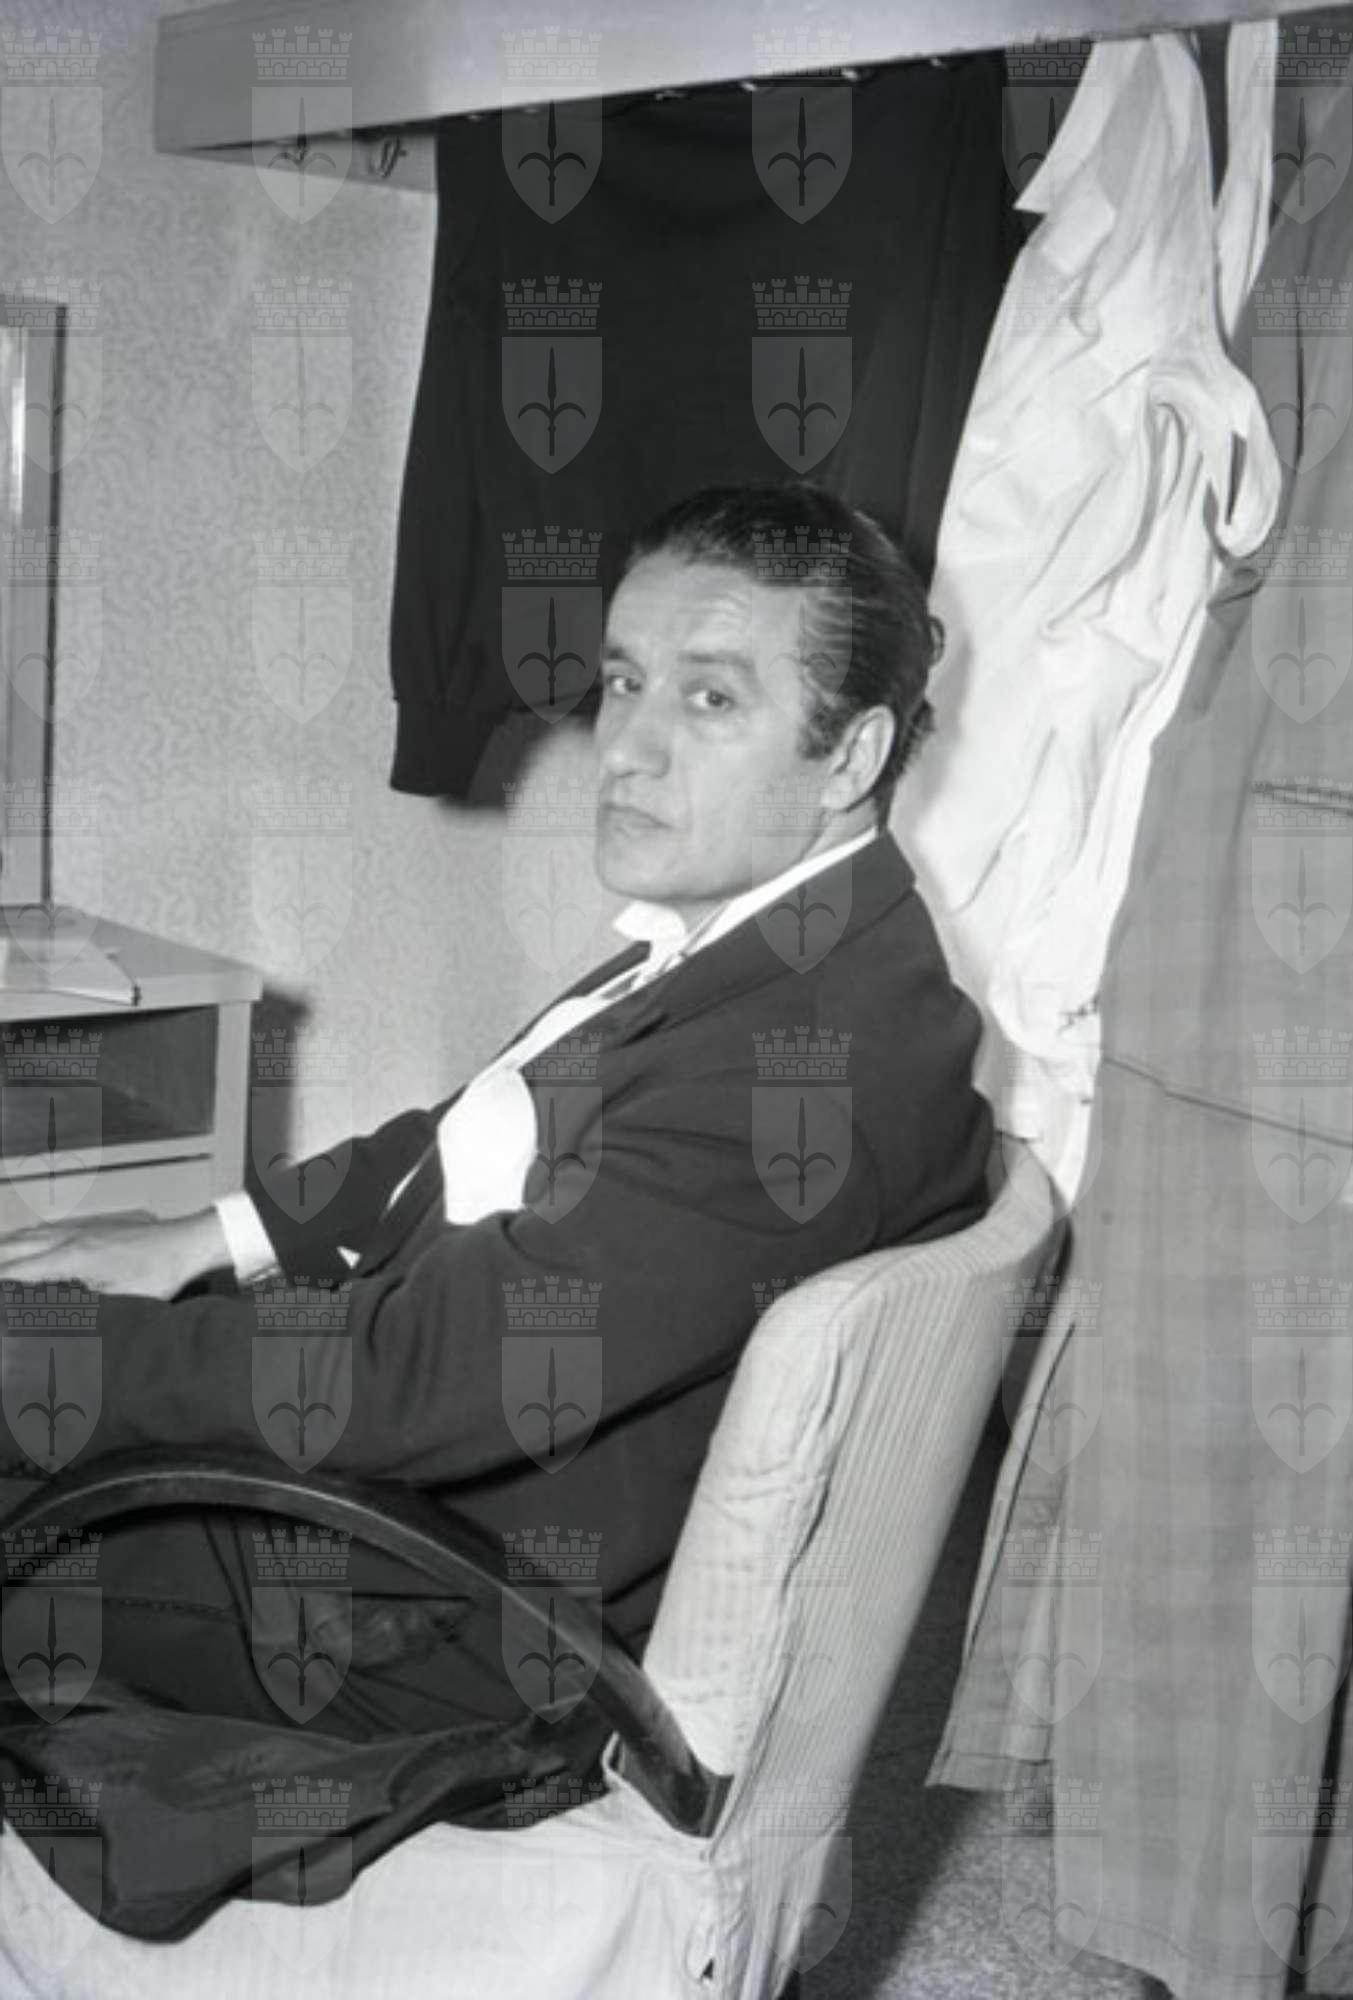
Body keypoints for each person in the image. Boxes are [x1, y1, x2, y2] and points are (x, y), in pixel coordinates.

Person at [0, 481, 992, 1940]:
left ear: (849, 754)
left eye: (711, 698)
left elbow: (410, 1383)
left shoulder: (800, 1075)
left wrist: (41, 1346)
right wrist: (208, 1237)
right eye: (625, 680)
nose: (625, 746)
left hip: (427, 1609)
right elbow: (468, 1133)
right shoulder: (782, 948)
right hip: (435, 1495)